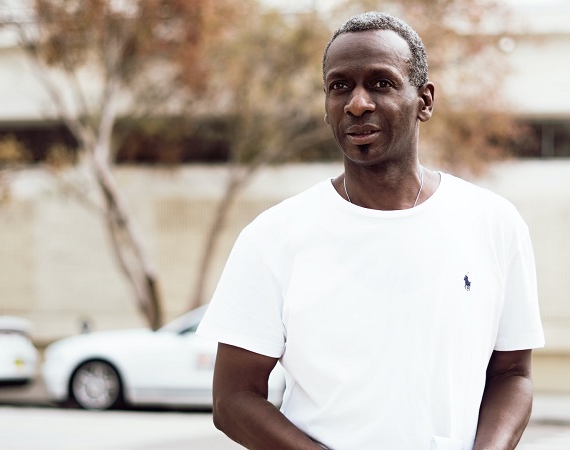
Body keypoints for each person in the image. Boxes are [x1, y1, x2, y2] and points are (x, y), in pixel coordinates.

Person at [197, 11, 544, 450]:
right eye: (339, 86)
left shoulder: (494, 223)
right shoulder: (273, 237)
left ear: (425, 101)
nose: (356, 103)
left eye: (380, 83)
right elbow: (233, 399)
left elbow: (513, 375)